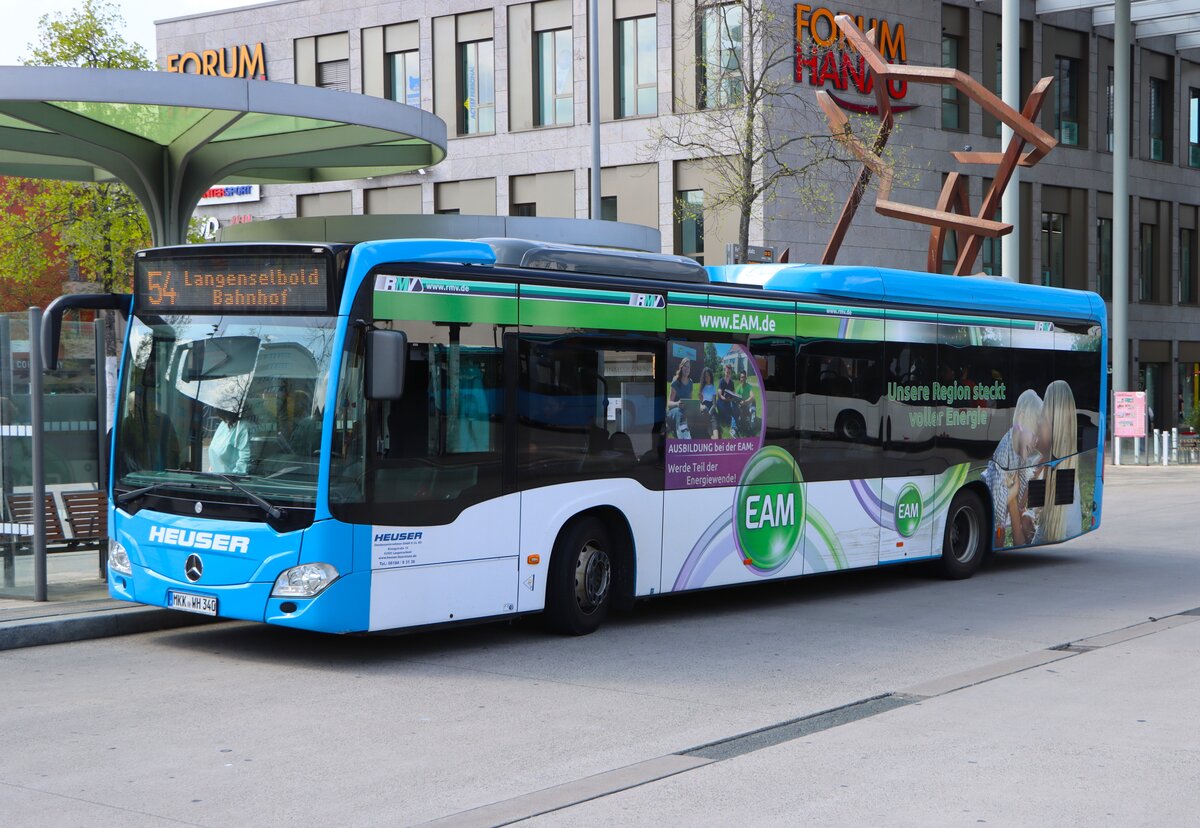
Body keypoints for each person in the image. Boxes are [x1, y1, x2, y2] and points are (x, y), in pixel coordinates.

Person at [982, 389, 1043, 546]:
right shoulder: (1002, 462)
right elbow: (998, 539)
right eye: (1034, 434)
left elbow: (1021, 536)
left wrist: (1015, 501)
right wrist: (1012, 499)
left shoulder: (1020, 452)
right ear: (1021, 418)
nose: (1036, 442)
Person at [1033, 380, 1081, 544]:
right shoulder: (1049, 468)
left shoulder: (1061, 483)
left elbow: (1038, 537)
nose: (1037, 423)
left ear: (1054, 424)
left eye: (1042, 416)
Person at [208, 406, 251, 474]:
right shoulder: (223, 424)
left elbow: (245, 456)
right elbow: (215, 448)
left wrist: (235, 474)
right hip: (216, 473)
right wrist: (214, 465)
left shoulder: (242, 427)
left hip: (230, 477)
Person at [667, 358, 694, 438]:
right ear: (681, 367)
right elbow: (669, 404)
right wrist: (677, 404)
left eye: (688, 367)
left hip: (685, 411)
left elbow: (691, 401)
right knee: (680, 412)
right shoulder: (676, 381)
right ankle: (684, 437)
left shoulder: (690, 382)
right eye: (685, 366)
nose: (687, 369)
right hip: (675, 410)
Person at [716, 364, 739, 438]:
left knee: (735, 407)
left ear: (731, 373)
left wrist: (734, 397)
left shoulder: (732, 382)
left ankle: (733, 428)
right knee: (728, 418)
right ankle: (730, 421)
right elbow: (719, 395)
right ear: (724, 372)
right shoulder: (721, 381)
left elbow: (734, 393)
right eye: (727, 372)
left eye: (729, 373)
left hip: (728, 402)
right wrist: (725, 399)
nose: (728, 374)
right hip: (721, 402)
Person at [698, 367, 718, 438]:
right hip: (703, 407)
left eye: (708, 375)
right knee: (706, 420)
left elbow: (714, 404)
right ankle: (711, 435)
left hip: (711, 407)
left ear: (711, 376)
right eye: (705, 376)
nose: (707, 377)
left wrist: (710, 412)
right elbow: (700, 402)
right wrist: (701, 406)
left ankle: (715, 437)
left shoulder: (713, 387)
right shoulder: (702, 387)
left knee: (713, 421)